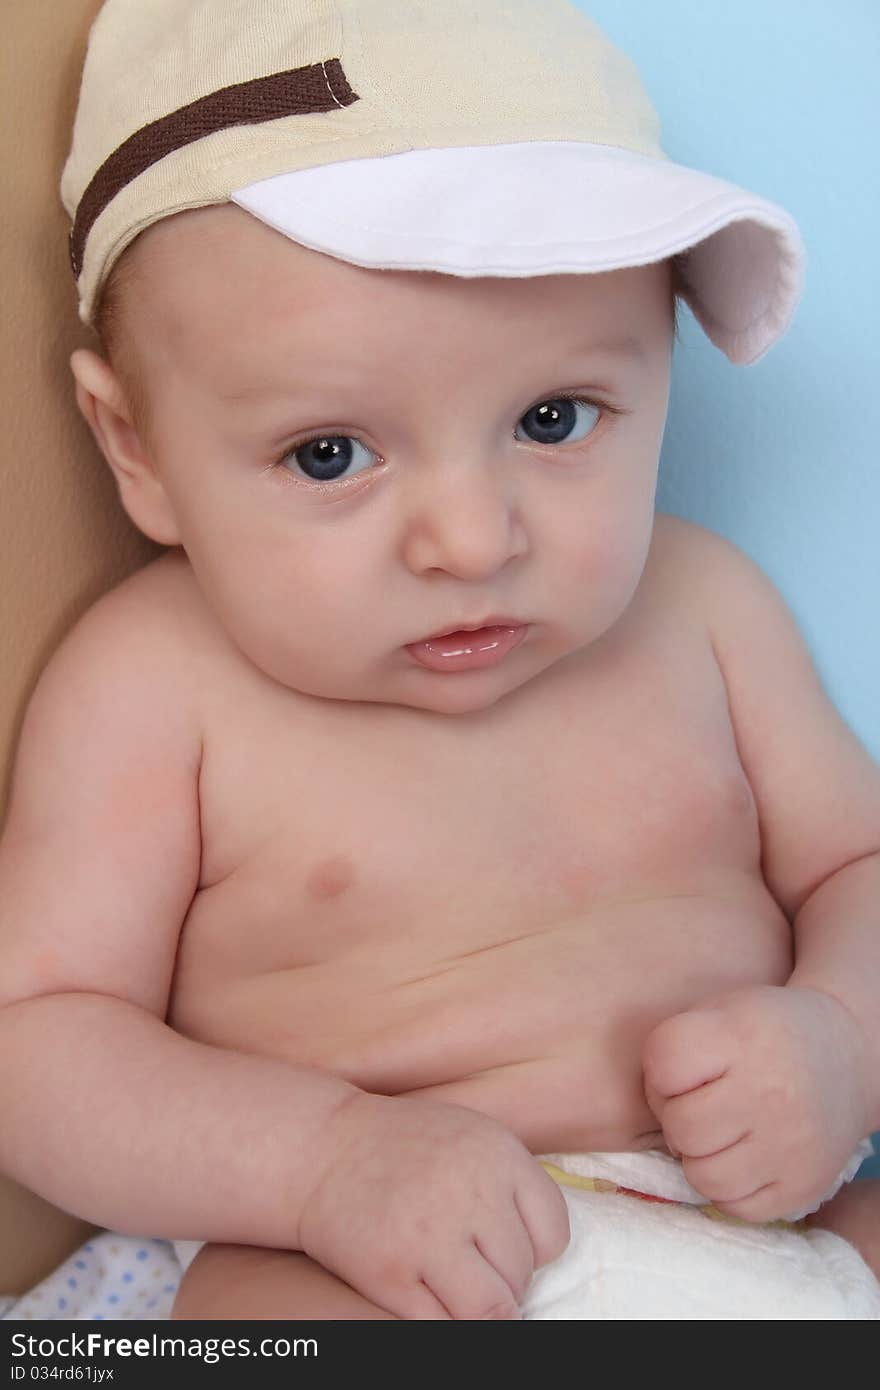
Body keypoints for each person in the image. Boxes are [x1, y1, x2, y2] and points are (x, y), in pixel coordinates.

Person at [0, 0, 878, 1320]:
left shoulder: (708, 610)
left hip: (783, 1229)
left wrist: (842, 1037)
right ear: (135, 448)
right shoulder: (153, 686)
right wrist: (324, 1164)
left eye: (551, 416)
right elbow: (37, 1039)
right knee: (239, 1326)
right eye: (329, 454)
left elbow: (860, 868)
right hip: (356, 1261)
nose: (473, 541)